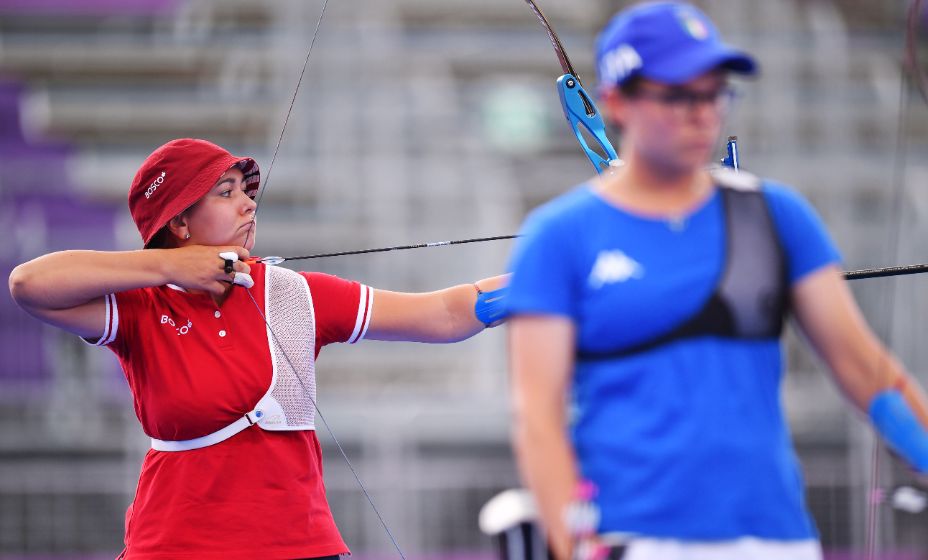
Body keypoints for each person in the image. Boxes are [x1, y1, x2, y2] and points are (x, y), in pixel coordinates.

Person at [504, 2, 928, 559]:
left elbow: (871, 376)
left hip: (776, 537)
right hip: (634, 539)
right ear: (616, 102)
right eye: (678, 95)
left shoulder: (776, 215)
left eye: (714, 92)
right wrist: (575, 543)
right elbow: (538, 417)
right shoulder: (558, 236)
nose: (702, 113)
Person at [8, 137, 508, 559]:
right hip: (174, 547)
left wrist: (548, 276)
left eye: (247, 191)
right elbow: (29, 283)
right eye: (226, 193)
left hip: (299, 546)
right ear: (180, 222)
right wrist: (168, 268)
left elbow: (444, 313)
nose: (249, 203)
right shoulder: (142, 306)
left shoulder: (293, 294)